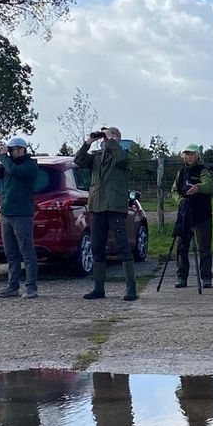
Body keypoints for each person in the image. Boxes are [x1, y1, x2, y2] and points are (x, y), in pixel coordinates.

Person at [75, 126, 138, 301]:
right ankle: (98, 288)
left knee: (121, 246)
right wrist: (89, 142)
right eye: (105, 137)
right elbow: (79, 160)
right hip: (97, 207)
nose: (106, 139)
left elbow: (122, 159)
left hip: (115, 206)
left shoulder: (123, 156)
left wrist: (111, 140)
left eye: (111, 136)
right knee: (96, 246)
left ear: (118, 138)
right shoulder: (96, 157)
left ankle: (131, 288)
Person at [0, 137, 39, 299]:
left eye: (13, 149)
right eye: (9, 149)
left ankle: (31, 287)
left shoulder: (29, 166)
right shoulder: (8, 164)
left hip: (22, 214)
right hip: (6, 214)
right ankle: (12, 286)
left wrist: (3, 157)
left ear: (22, 149)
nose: (10, 152)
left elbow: (16, 171)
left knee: (27, 252)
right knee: (11, 253)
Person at [170, 144, 213, 289]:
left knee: (204, 247)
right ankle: (181, 276)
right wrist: (180, 200)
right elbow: (174, 190)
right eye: (186, 154)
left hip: (202, 213)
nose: (189, 157)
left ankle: (206, 277)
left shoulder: (203, 170)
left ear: (197, 155)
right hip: (185, 213)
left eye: (191, 154)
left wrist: (198, 188)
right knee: (182, 245)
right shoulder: (181, 172)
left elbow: (208, 185)